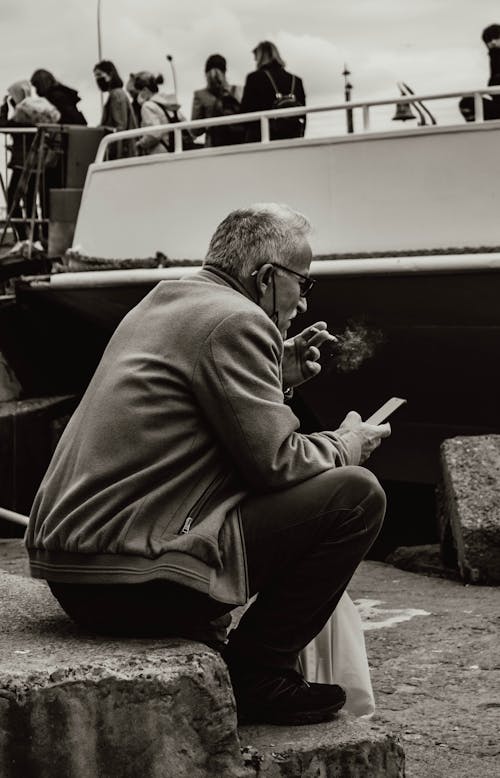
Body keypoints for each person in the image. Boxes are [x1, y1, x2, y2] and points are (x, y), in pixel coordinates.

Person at [26, 203, 390, 726]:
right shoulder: (238, 320)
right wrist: (348, 442)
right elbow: (277, 463)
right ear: (265, 277)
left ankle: (255, 666)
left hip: (76, 575)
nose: (304, 304)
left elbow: (199, 409)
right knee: (357, 495)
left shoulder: (167, 299)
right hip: (135, 587)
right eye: (303, 285)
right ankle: (259, 673)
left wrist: (276, 372)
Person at [0, 80, 60, 244]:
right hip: (36, 163)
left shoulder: (23, 112)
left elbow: (4, 125)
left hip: (22, 163)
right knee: (31, 200)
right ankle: (34, 237)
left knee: (13, 196)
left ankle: (24, 236)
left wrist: (4, 108)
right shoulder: (37, 110)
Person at [240, 41, 306, 142]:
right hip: (292, 137)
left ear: (260, 57)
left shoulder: (254, 78)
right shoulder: (296, 80)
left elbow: (245, 112)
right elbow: (303, 114)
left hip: (263, 139)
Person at [132, 71, 195, 154]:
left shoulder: (147, 106)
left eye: (138, 92)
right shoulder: (169, 103)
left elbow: (154, 134)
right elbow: (187, 127)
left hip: (160, 152)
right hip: (178, 150)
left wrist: (140, 144)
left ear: (144, 90)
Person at [191, 54, 244, 147]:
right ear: (225, 71)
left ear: (205, 73)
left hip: (214, 146)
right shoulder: (239, 90)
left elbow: (195, 130)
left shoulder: (200, 95)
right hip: (239, 143)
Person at [93, 60, 137, 159]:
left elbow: (120, 127)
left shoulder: (116, 95)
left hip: (122, 153)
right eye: (95, 76)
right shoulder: (117, 94)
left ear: (110, 75)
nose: (97, 79)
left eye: (99, 74)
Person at [459, 24, 500, 122]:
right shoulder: (494, 57)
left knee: (468, 103)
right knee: (467, 102)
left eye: (497, 38)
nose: (493, 42)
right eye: (489, 40)